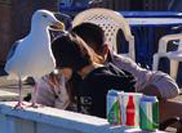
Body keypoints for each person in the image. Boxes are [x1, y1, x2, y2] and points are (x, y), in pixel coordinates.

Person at [34, 23, 180, 108]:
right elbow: (39, 110)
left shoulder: (120, 68)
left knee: (165, 106)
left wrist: (135, 99)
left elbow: (169, 84)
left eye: (86, 54)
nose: (80, 60)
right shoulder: (56, 72)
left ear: (104, 51)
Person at [46, 34, 135, 116]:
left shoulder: (89, 84)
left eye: (58, 69)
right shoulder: (116, 72)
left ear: (67, 62)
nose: (60, 74)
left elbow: (88, 122)